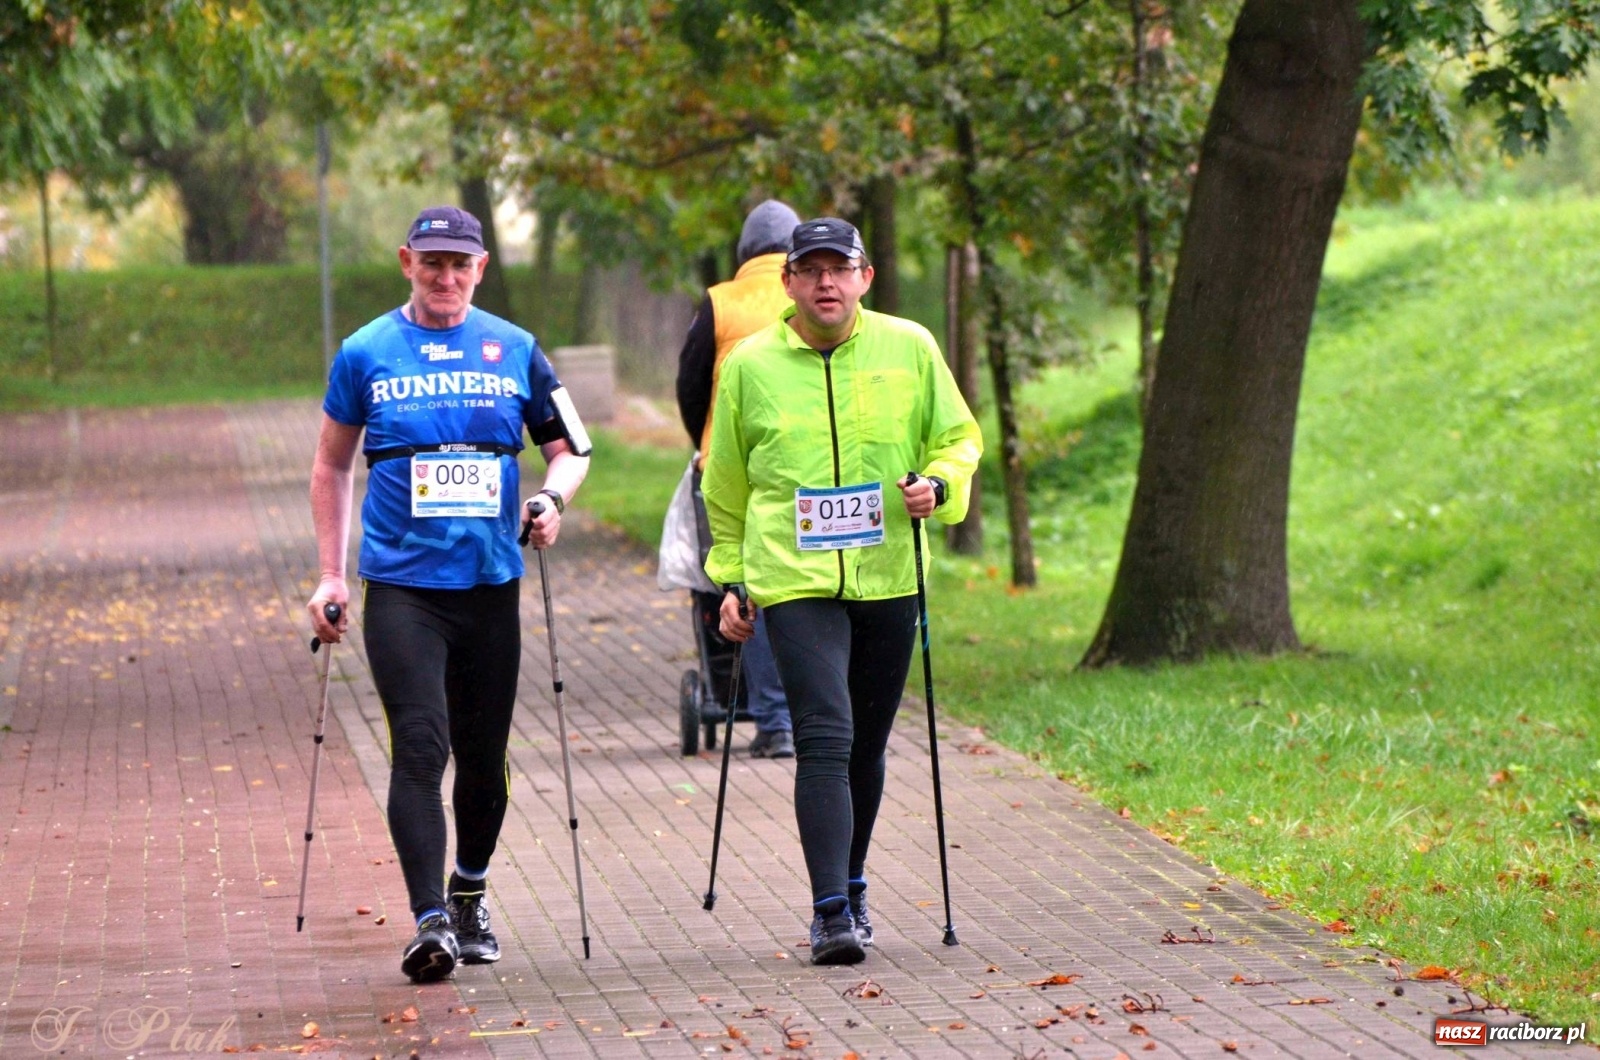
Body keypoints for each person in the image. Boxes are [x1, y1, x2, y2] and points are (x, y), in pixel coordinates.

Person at [305, 205, 591, 983]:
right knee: (421, 744)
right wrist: (331, 574)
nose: (446, 276)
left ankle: (469, 889)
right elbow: (331, 465)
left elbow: (572, 449)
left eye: (460, 264)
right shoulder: (366, 351)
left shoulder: (518, 349)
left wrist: (552, 500)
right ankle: (430, 920)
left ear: (481, 268)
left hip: (491, 586)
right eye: (432, 262)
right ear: (406, 262)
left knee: (484, 755)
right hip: (402, 587)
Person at [700, 217, 982, 965]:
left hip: (888, 571)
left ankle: (853, 883)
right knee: (824, 731)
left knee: (867, 741)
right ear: (787, 282)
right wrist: (731, 575)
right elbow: (724, 480)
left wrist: (940, 487)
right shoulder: (752, 365)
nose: (827, 282)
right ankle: (829, 913)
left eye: (841, 267)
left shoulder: (911, 347)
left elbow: (958, 438)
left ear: (865, 277)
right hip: (794, 578)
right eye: (811, 269)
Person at [676, 200, 801, 759]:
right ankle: (817, 716)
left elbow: (690, 384)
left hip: (730, 475)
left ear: (744, 252)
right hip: (810, 473)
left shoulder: (720, 302)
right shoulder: (821, 293)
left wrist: (705, 443)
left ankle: (773, 723)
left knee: (750, 588)